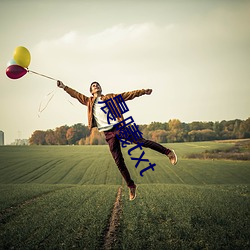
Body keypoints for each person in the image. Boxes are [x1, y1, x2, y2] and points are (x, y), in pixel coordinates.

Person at [57, 81, 177, 201]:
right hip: (108, 134)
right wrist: (63, 87)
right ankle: (131, 185)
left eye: (97, 84)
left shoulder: (111, 97)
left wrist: (143, 92)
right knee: (118, 161)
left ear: (100, 88)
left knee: (142, 142)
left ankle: (168, 152)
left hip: (119, 127)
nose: (96, 86)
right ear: (91, 91)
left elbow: (128, 95)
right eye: (94, 86)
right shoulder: (88, 101)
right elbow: (75, 94)